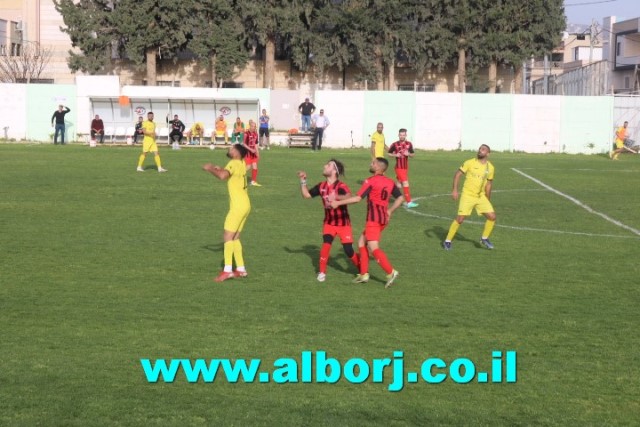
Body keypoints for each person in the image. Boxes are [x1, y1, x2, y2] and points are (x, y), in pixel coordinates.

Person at [331, 157, 404, 288]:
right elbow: (400, 197)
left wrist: (338, 202)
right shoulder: (390, 182)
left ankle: (391, 272)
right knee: (361, 243)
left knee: (373, 247)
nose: (371, 164)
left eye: (373, 163)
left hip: (373, 220)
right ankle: (364, 274)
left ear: (379, 167)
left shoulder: (370, 181)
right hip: (383, 219)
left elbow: (358, 198)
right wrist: (390, 211)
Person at [298, 159, 360, 282]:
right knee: (326, 245)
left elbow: (349, 197)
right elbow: (306, 195)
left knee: (348, 250)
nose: (324, 166)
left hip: (343, 224)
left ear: (334, 171)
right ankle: (322, 273)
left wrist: (336, 197)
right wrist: (303, 181)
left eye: (328, 165)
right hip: (329, 223)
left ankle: (362, 269)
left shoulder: (341, 186)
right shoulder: (321, 186)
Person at [202, 144, 251, 282]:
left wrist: (210, 168)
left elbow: (223, 176)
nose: (228, 150)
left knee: (227, 236)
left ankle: (227, 270)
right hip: (246, 204)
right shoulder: (241, 163)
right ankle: (241, 269)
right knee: (235, 237)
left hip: (237, 206)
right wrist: (220, 168)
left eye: (231, 148)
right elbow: (229, 173)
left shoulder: (233, 162)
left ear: (236, 152)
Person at [443, 144, 496, 251]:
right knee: (460, 219)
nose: (480, 151)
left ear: (488, 154)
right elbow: (457, 175)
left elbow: (489, 184)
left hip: (480, 196)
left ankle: (484, 238)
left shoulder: (490, 168)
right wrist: (455, 190)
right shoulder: (470, 162)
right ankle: (447, 241)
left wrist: (487, 199)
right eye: (480, 149)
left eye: (483, 149)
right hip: (468, 195)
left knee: (492, 217)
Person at [388, 128, 418, 208]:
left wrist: (408, 154)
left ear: (405, 135)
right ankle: (409, 202)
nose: (402, 136)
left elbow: (413, 154)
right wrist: (395, 155)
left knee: (399, 185)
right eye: (400, 135)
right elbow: (389, 153)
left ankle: (387, 190)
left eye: (403, 135)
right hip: (399, 167)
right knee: (405, 183)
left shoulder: (409, 144)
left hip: (405, 167)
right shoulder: (395, 144)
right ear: (398, 135)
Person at [243, 120, 261, 186]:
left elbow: (256, 144)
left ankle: (253, 182)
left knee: (255, 167)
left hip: (253, 153)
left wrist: (258, 153)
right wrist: (250, 149)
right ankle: (238, 175)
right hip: (247, 153)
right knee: (248, 167)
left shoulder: (256, 134)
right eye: (252, 126)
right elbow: (243, 144)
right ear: (250, 126)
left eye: (255, 126)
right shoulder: (246, 133)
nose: (253, 127)